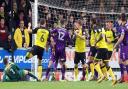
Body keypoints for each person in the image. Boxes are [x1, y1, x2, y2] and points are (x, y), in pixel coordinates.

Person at [113, 15, 128, 83]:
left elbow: (122, 38)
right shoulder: (122, 27)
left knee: (125, 62)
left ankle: (126, 78)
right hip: (122, 46)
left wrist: (115, 45)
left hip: (125, 46)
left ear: (121, 20)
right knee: (120, 61)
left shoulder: (123, 27)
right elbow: (121, 36)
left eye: (118, 20)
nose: (117, 22)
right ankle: (122, 77)